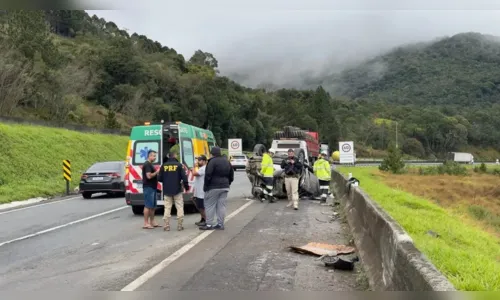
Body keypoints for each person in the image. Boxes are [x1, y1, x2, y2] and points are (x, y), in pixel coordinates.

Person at [199, 146, 234, 230]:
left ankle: (209, 224)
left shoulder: (212, 161)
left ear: (212, 154)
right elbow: (231, 175)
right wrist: (228, 183)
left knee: (209, 205)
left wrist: (206, 186)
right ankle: (220, 224)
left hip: (213, 187)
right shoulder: (227, 161)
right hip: (225, 187)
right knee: (221, 206)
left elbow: (208, 175)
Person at [158, 151, 189, 231]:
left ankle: (166, 225)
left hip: (167, 190)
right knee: (179, 207)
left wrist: (166, 180)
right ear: (174, 156)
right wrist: (187, 187)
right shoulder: (179, 165)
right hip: (177, 189)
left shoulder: (163, 165)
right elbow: (184, 177)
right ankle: (179, 225)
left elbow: (159, 178)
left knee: (167, 208)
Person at [142, 150, 160, 229]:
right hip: (148, 187)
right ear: (149, 156)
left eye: (155, 156)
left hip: (153, 187)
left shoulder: (150, 164)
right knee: (147, 206)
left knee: (152, 206)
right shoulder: (147, 164)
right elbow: (148, 176)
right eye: (153, 156)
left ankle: (152, 222)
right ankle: (146, 223)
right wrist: (157, 172)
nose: (155, 157)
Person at [191, 155, 208, 226]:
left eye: (200, 160)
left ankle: (206, 220)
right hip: (198, 191)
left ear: (204, 161)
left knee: (201, 207)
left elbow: (194, 173)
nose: (198, 162)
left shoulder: (204, 168)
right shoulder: (201, 168)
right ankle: (203, 219)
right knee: (199, 205)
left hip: (201, 192)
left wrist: (193, 167)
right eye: (198, 160)